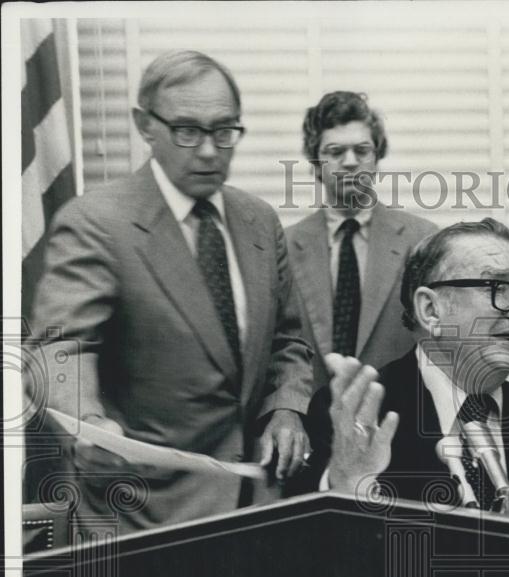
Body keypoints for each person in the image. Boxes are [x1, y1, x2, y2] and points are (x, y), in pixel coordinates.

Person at [28, 50, 313, 532]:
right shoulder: (97, 222)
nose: (208, 150)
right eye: (188, 130)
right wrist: (88, 421)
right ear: (145, 125)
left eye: (224, 131)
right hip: (143, 512)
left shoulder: (260, 221)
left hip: (258, 505)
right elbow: (61, 345)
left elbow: (290, 341)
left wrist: (287, 409)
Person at [306, 218, 509, 522]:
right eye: (499, 289)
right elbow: (308, 556)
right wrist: (344, 487)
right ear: (431, 311)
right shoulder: (358, 416)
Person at [285, 91, 437, 391]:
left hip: (397, 423)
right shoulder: (284, 246)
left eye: (362, 150)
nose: (350, 162)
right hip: (310, 425)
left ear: (376, 159)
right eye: (335, 152)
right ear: (316, 164)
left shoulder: (423, 240)